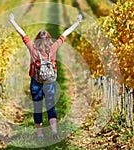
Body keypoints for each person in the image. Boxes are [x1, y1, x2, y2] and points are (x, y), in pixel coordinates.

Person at [9, 13, 82, 141]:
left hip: (36, 81)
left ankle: (40, 135)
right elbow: (64, 34)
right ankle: (54, 131)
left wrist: (12, 21)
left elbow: (22, 34)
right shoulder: (53, 47)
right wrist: (77, 22)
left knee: (37, 106)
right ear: (49, 39)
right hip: (50, 81)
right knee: (50, 105)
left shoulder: (32, 48)